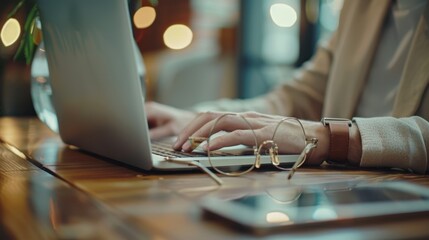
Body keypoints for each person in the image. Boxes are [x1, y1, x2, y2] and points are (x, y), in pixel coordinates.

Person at [145, 0, 429, 174]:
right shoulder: (361, 5)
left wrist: (332, 138)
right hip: (344, 197)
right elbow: (293, 98)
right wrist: (197, 119)